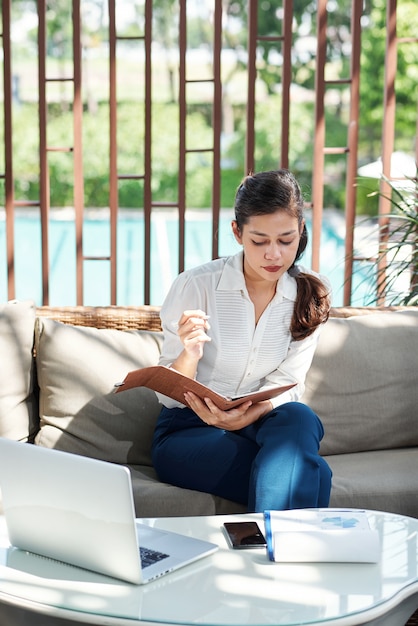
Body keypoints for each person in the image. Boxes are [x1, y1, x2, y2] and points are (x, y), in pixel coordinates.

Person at [151, 169, 332, 512]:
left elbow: (290, 383)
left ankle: (268, 548)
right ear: (237, 232)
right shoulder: (197, 285)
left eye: (286, 240)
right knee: (313, 472)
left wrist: (247, 417)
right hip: (189, 430)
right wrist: (189, 353)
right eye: (259, 241)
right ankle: (286, 551)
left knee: (300, 417)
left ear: (301, 232)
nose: (274, 255)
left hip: (262, 424)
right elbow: (165, 393)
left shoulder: (312, 291)